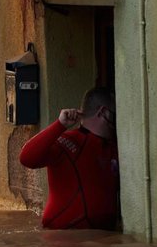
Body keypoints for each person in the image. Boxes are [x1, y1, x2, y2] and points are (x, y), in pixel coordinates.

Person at [19, 87, 119, 230]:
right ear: (104, 113)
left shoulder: (114, 147)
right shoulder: (67, 142)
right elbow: (26, 158)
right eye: (117, 114)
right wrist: (60, 125)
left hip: (103, 240)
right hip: (62, 239)